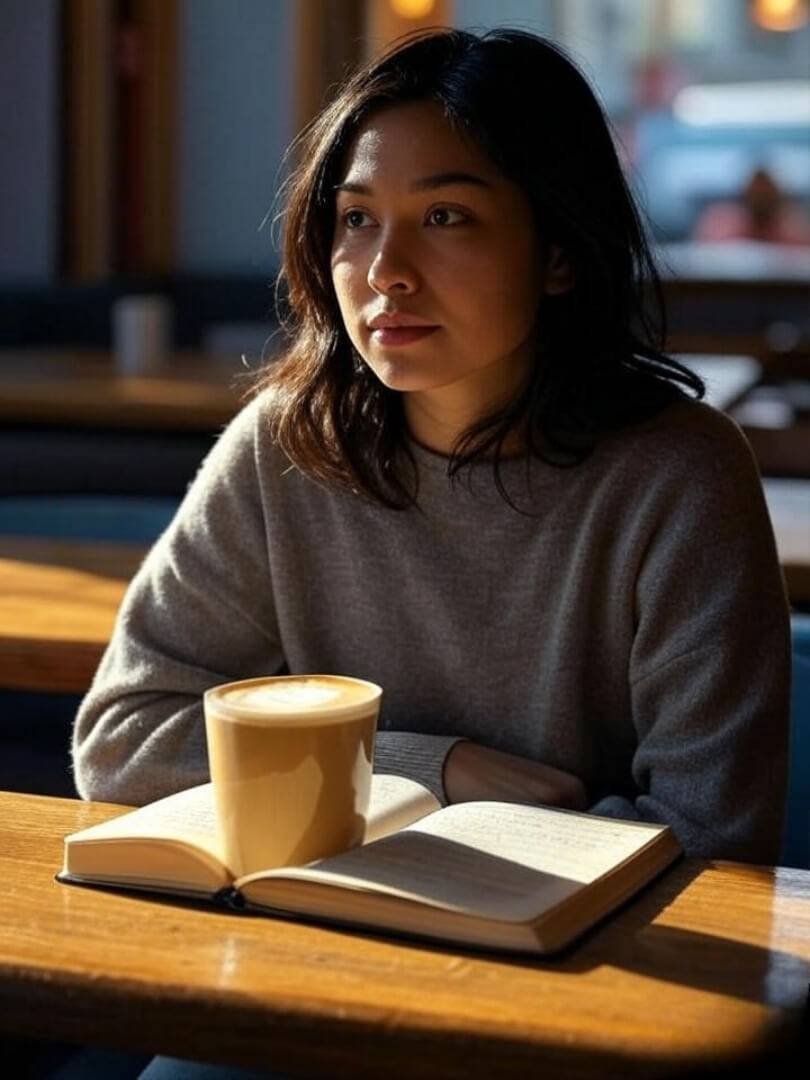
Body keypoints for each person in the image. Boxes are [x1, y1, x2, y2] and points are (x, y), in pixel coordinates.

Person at [68, 26, 790, 1078]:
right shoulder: (285, 446)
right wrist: (432, 769)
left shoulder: (678, 473)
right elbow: (124, 734)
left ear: (557, 251)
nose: (385, 272)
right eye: (357, 219)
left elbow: (716, 834)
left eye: (445, 217)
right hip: (307, 962)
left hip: (582, 983)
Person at [693, 165, 810, 246]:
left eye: (766, 194)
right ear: (744, 196)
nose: (761, 199)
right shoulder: (720, 225)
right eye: (757, 193)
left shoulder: (795, 231)